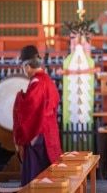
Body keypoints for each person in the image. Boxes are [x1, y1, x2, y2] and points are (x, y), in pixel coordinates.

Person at [13, 45, 62, 186]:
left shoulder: (37, 83)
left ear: (27, 66)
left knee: (35, 180)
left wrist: (19, 99)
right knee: (47, 180)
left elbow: (30, 112)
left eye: (23, 67)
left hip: (38, 136)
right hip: (49, 133)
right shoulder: (48, 80)